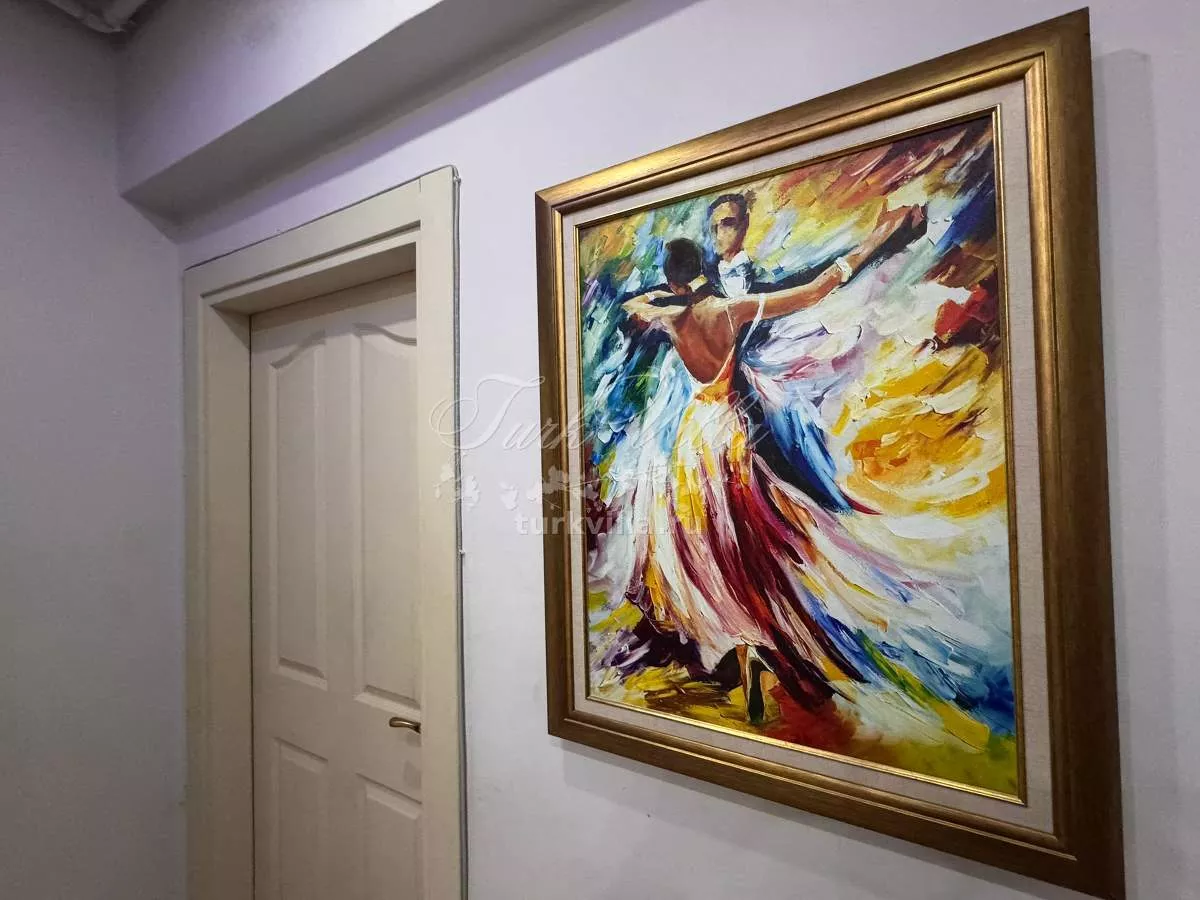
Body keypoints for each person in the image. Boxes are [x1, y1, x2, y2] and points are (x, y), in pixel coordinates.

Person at [620, 204, 932, 723]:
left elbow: (635, 305)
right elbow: (815, 291)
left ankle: (746, 651)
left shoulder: (671, 317)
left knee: (715, 550)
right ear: (704, 267)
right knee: (746, 545)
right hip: (728, 433)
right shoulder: (730, 311)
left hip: (692, 440)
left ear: (673, 281)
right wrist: (877, 239)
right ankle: (759, 650)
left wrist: (669, 297)